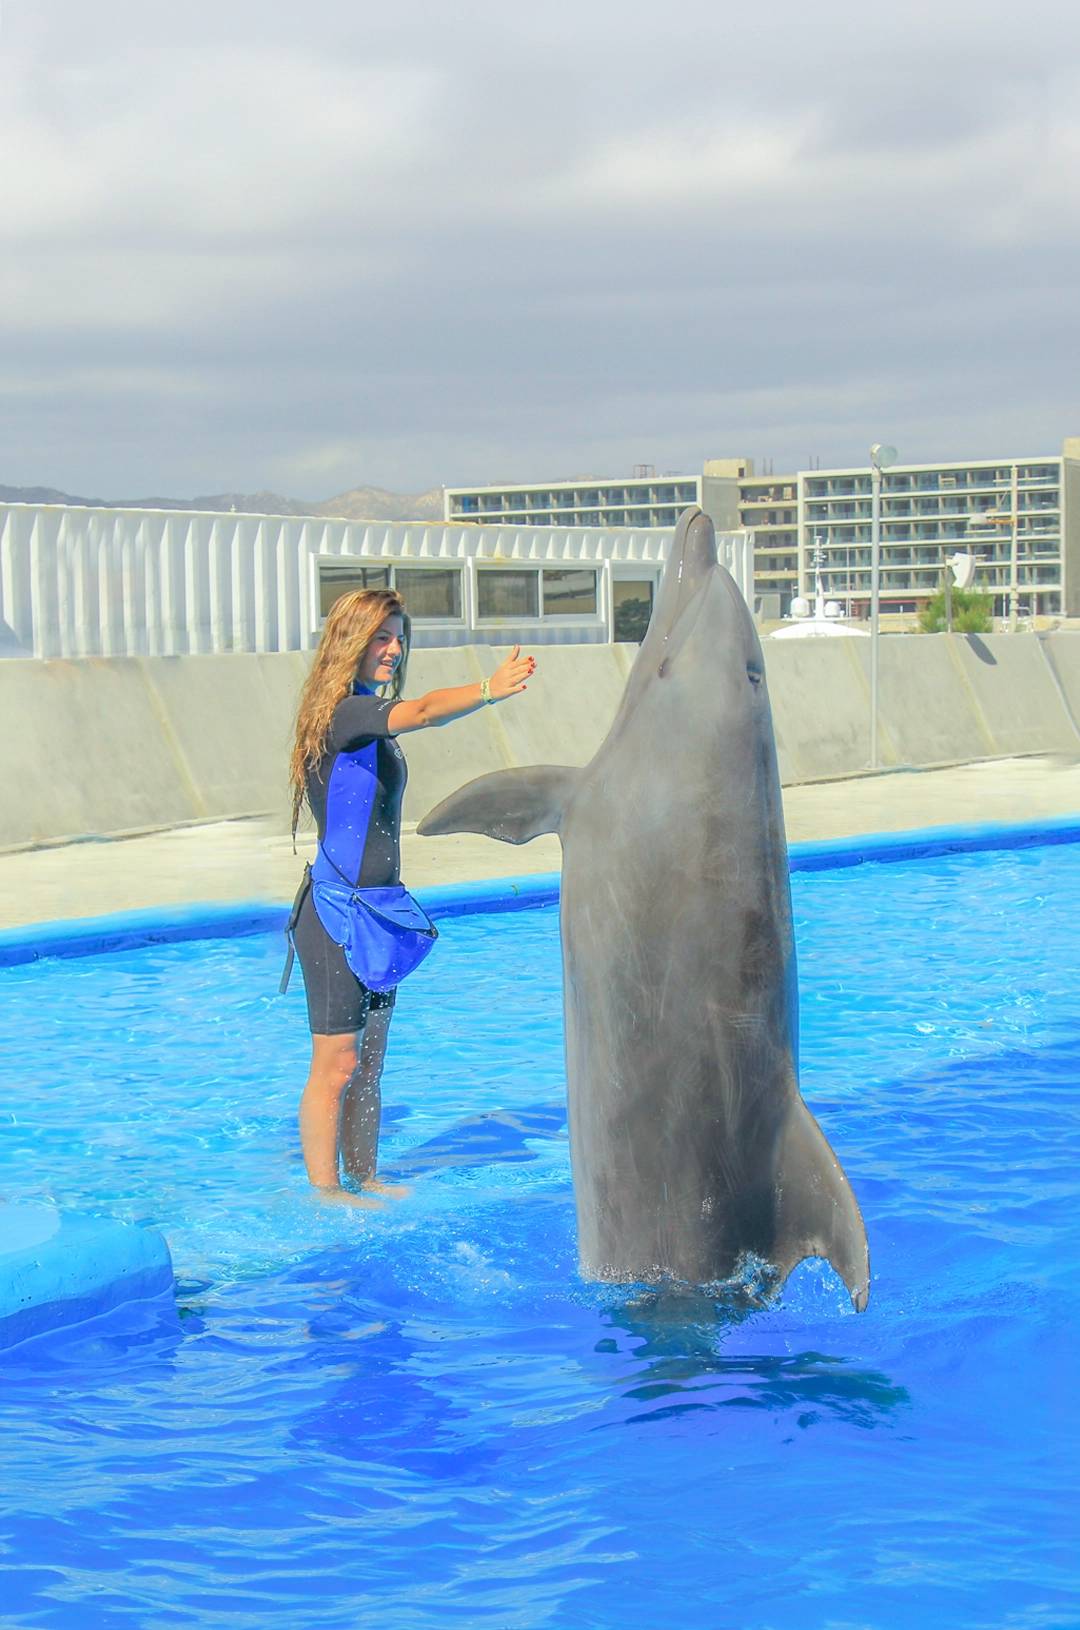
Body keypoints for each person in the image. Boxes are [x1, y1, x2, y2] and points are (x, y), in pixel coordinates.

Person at [286, 587, 535, 1203]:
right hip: (337, 914)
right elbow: (423, 711)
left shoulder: (367, 716)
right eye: (381, 637)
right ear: (351, 643)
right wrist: (486, 690)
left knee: (369, 1065)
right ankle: (326, 1192)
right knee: (337, 1066)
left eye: (399, 636)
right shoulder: (346, 715)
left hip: (382, 912)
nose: (393, 648)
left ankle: (364, 1174)